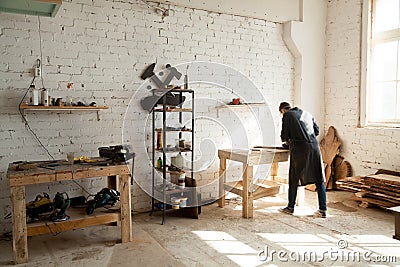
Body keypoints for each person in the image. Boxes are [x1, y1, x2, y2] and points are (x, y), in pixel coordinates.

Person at [278, 102, 327, 218]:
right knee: (319, 178)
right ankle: (322, 210)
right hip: (314, 148)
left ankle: (290, 207)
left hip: (300, 150)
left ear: (282, 111)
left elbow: (284, 136)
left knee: (294, 177)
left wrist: (290, 140)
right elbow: (316, 131)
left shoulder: (287, 115)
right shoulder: (306, 113)